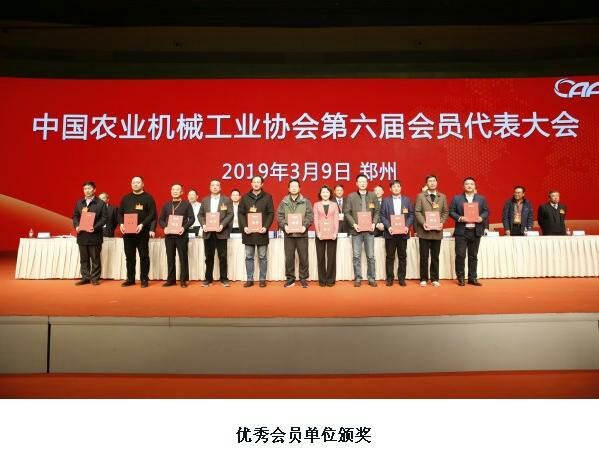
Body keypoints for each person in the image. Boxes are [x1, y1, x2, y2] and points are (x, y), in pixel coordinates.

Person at [449, 177, 489, 286]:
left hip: (476, 231)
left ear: (475, 186)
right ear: (463, 186)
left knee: (473, 256)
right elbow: (451, 212)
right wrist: (460, 218)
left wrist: (481, 217)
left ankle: (472, 278)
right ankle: (461, 277)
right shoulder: (457, 198)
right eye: (467, 184)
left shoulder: (481, 199)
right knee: (460, 255)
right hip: (462, 231)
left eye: (471, 184)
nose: (469, 185)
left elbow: (486, 211)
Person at [118, 176, 157, 288]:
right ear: (131, 184)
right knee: (129, 257)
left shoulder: (148, 198)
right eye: (133, 182)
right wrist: (121, 223)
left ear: (142, 184)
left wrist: (142, 224)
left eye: (138, 182)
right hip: (128, 233)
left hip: (142, 232)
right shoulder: (126, 198)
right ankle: (130, 279)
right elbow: (120, 213)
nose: (135, 184)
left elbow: (152, 214)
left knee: (144, 256)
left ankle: (144, 279)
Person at [344, 173, 380, 287]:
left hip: (369, 231)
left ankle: (371, 278)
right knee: (356, 256)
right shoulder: (351, 196)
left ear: (367, 183)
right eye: (360, 182)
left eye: (364, 181)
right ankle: (358, 278)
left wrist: (374, 223)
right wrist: (354, 224)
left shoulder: (373, 196)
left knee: (371, 256)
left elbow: (377, 211)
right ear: (356, 183)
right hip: (356, 231)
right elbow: (347, 212)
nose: (362, 183)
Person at [238, 176, 275, 287]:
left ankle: (262, 279)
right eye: (254, 182)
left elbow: (271, 213)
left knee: (262, 257)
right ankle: (249, 279)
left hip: (262, 232)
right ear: (251, 183)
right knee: (249, 256)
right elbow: (240, 213)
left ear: (262, 184)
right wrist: (244, 226)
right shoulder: (245, 197)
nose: (256, 184)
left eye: (258, 182)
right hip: (248, 232)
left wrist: (266, 227)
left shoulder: (268, 197)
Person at [277, 179, 314, 288]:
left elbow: (310, 216)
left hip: (302, 234)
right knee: (289, 258)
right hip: (289, 235)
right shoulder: (284, 202)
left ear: (299, 188)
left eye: (296, 186)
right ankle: (290, 279)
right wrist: (285, 226)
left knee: (303, 257)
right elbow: (279, 216)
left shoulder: (305, 201)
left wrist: (304, 226)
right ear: (288, 188)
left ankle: (303, 278)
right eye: (292, 186)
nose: (294, 188)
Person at [414, 174, 449, 287]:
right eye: (430, 181)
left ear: (437, 182)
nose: (432, 183)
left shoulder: (442, 197)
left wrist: (441, 223)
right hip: (424, 231)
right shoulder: (420, 196)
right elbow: (417, 211)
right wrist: (423, 223)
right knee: (424, 257)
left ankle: (434, 278)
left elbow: (445, 212)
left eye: (434, 181)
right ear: (426, 183)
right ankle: (423, 278)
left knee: (435, 257)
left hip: (437, 231)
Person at [158, 183, 195, 288]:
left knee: (183, 258)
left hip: (181, 235)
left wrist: (184, 227)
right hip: (169, 236)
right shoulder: (166, 205)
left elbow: (192, 218)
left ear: (182, 192)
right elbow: (161, 219)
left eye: (177, 189)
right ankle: (171, 280)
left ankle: (183, 280)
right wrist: (165, 227)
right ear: (171, 191)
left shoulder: (186, 204)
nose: (175, 191)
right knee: (170, 258)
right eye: (173, 189)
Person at [199, 179, 234, 287]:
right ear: (210, 187)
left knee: (222, 256)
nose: (215, 187)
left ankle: (224, 279)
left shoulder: (226, 200)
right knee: (208, 257)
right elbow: (200, 215)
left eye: (217, 185)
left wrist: (222, 225)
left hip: (221, 232)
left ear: (220, 187)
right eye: (213, 185)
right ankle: (208, 279)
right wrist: (203, 225)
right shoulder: (205, 200)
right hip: (208, 232)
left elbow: (230, 214)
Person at [72, 181, 108, 285]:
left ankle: (95, 278)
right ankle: (85, 277)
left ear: (94, 190)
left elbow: (104, 218)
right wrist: (77, 226)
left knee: (95, 258)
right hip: (82, 235)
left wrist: (95, 227)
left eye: (89, 188)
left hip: (95, 235)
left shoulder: (100, 203)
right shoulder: (79, 203)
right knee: (84, 259)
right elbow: (75, 216)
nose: (87, 190)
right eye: (85, 189)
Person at [380, 180, 414, 286]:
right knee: (390, 257)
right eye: (394, 187)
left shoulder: (407, 200)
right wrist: (388, 226)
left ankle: (401, 278)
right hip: (390, 233)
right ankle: (389, 278)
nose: (396, 188)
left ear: (401, 188)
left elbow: (411, 215)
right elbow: (382, 215)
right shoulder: (385, 201)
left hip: (403, 233)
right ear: (390, 189)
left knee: (402, 257)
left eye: (398, 186)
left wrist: (407, 226)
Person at [313, 185, 339, 287]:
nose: (325, 194)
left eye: (327, 192)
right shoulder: (316, 205)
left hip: (332, 234)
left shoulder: (334, 205)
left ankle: (331, 280)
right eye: (323, 192)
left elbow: (336, 219)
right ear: (320, 194)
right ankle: (322, 280)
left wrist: (335, 232)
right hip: (320, 234)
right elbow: (315, 219)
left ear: (330, 194)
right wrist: (318, 232)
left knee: (331, 257)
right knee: (320, 257)